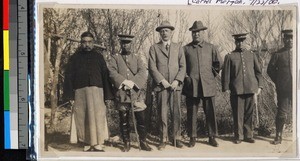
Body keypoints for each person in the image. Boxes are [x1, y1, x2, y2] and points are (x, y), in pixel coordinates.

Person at [63, 31, 114, 151]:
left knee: (98, 117)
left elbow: (105, 76)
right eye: (84, 42)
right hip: (81, 92)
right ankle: (86, 143)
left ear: (93, 43)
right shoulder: (74, 58)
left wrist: (108, 96)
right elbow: (69, 77)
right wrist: (70, 95)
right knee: (83, 117)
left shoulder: (99, 57)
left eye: (89, 42)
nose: (87, 44)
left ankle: (97, 143)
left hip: (98, 92)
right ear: (81, 43)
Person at [107, 34, 152, 152]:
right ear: (120, 44)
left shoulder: (137, 58)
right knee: (124, 119)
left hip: (136, 93)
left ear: (131, 44)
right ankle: (126, 142)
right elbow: (111, 72)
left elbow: (143, 71)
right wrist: (123, 82)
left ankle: (143, 141)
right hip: (122, 93)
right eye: (123, 43)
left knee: (141, 119)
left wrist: (133, 83)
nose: (125, 45)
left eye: (128, 43)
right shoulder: (115, 58)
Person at [148, 21, 186, 150]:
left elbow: (183, 66)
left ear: (171, 32)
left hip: (175, 86)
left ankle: (177, 137)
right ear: (159, 33)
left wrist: (177, 81)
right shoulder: (154, 48)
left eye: (167, 31)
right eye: (162, 31)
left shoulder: (178, 47)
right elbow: (152, 67)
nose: (164, 33)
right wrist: (162, 81)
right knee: (162, 113)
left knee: (176, 113)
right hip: (161, 86)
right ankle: (163, 138)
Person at [183, 21, 220, 147]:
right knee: (192, 112)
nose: (196, 34)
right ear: (192, 34)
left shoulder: (211, 48)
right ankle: (192, 137)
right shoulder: (186, 49)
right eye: (194, 32)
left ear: (203, 33)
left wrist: (210, 76)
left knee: (210, 111)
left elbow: (218, 64)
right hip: (191, 86)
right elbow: (182, 67)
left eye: (198, 32)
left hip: (208, 85)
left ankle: (212, 136)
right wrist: (187, 78)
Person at [221, 33, 263, 144]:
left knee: (249, 113)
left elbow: (258, 72)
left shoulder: (251, 55)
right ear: (235, 42)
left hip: (250, 88)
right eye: (238, 41)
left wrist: (260, 86)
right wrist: (226, 88)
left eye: (242, 41)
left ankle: (248, 135)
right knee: (238, 113)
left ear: (245, 42)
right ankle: (238, 136)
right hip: (236, 89)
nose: (240, 43)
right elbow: (226, 74)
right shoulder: (230, 56)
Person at [267, 29, 293, 145]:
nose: (290, 40)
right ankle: (278, 135)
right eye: (287, 38)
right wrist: (278, 81)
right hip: (284, 89)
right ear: (284, 40)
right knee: (282, 113)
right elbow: (270, 70)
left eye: (292, 38)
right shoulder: (278, 54)